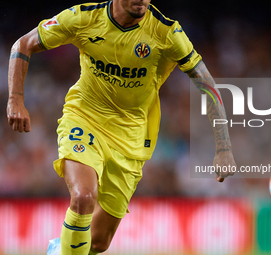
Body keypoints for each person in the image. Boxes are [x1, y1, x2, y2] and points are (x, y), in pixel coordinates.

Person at [7, 0, 236, 254]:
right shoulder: (83, 18)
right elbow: (23, 44)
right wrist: (15, 99)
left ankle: (60, 249)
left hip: (131, 137)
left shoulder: (166, 32)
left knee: (98, 242)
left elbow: (206, 83)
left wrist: (224, 147)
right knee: (83, 197)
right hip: (85, 118)